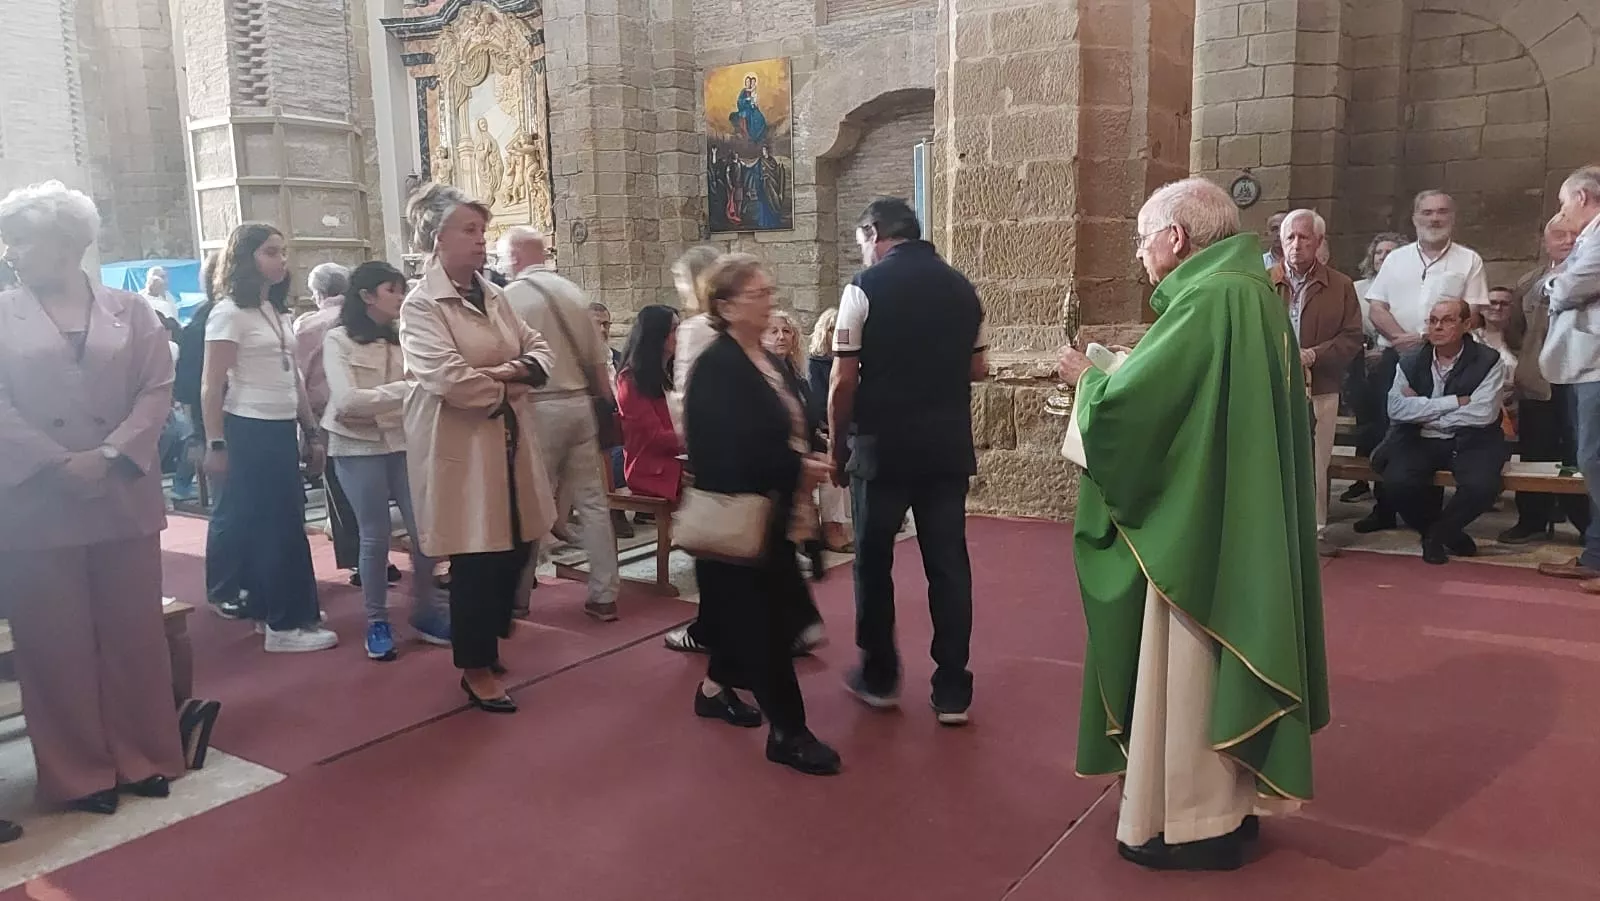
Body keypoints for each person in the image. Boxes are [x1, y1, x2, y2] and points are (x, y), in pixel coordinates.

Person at [1056, 177, 1329, 871]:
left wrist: (1085, 380)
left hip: (1200, 531)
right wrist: (1115, 372)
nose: (1141, 255)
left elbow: (1133, 418)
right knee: (1211, 665)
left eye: (1143, 238)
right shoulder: (1248, 293)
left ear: (1175, 237)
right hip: (1233, 516)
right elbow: (1190, 400)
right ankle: (1227, 808)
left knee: (1188, 659)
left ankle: (1186, 818)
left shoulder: (1208, 299)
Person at [0, 181, 187, 821]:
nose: (11, 249)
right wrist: (56, 464)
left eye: (23, 236)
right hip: (35, 497)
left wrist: (108, 456)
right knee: (53, 643)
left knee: (133, 635)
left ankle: (141, 756)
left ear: (69, 242)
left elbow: (156, 389)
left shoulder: (131, 310)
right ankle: (77, 771)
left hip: (120, 489)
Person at [400, 183, 557, 713]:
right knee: (475, 556)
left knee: (512, 548)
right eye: (469, 230)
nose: (480, 241)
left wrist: (510, 371)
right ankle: (475, 666)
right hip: (462, 445)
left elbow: (540, 352)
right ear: (436, 236)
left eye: (482, 231)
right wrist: (513, 381)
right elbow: (450, 381)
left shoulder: (493, 294)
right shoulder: (421, 306)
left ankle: (487, 642)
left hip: (508, 441)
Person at [830, 197, 985, 726]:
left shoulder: (864, 287)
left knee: (873, 562)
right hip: (945, 444)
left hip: (881, 445)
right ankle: (952, 690)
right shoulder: (963, 288)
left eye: (861, 241)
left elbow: (841, 379)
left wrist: (836, 448)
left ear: (874, 232)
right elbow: (979, 368)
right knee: (949, 564)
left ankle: (880, 676)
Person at [684, 253, 840, 776]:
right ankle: (788, 734)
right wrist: (796, 466)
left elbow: (789, 419)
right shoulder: (717, 367)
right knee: (769, 628)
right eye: (758, 293)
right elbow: (724, 450)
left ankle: (713, 690)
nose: (770, 299)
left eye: (769, 289)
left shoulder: (765, 359)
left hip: (773, 511)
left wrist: (806, 455)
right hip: (740, 514)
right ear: (725, 307)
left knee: (753, 619)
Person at [201, 223, 336, 651]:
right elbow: (211, 384)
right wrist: (216, 443)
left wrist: (310, 429)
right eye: (270, 252)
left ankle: (276, 609)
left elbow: (292, 375)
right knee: (274, 526)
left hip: (280, 425)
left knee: (284, 522)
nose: (281, 260)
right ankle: (284, 625)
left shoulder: (274, 311)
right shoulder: (227, 313)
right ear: (246, 259)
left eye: (282, 251)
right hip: (249, 426)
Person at [323, 261, 452, 660]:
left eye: (401, 289)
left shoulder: (404, 337)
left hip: (404, 442)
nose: (400, 297)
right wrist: (409, 390)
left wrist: (393, 394)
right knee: (375, 536)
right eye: (391, 290)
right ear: (366, 296)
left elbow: (429, 385)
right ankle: (377, 620)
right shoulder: (338, 339)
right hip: (357, 446)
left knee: (427, 530)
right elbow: (346, 402)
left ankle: (425, 608)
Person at [499, 226, 620, 622]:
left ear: (515, 256)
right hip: (579, 403)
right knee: (593, 502)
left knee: (530, 500)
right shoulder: (574, 293)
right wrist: (606, 406)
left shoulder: (509, 297)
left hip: (538, 406)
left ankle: (517, 595)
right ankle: (604, 594)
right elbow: (599, 364)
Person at [1356, 191, 1488, 534]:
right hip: (1396, 356)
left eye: (1442, 212)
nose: (1434, 218)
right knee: (1386, 431)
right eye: (1427, 212)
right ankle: (1384, 508)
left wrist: (1429, 339)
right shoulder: (1396, 259)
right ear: (1414, 218)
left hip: (1446, 359)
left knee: (1435, 431)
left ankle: (1428, 514)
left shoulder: (1468, 260)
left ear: (1453, 217)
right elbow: (1377, 307)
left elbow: (1472, 311)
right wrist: (1404, 340)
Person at [1374, 299, 1508, 564]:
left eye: (1447, 320)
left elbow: (1482, 413)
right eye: (1432, 320)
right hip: (1419, 439)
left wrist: (1424, 413)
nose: (1437, 327)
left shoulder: (1488, 360)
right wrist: (1452, 403)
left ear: (1466, 324)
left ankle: (1437, 535)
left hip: (1473, 439)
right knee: (1397, 482)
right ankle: (1447, 534)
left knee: (1482, 486)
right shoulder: (1411, 360)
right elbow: (1397, 409)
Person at [1269, 210, 1363, 556]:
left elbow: (1352, 337)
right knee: (1270, 457)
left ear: (1319, 242)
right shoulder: (1265, 282)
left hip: (1320, 385)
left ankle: (1315, 531)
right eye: (1290, 237)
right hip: (1272, 386)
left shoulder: (1340, 286)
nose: (1296, 245)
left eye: (1304, 237)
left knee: (1315, 461)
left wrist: (1315, 355)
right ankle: (1273, 529)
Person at [1501, 216, 1587, 544]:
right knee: (1537, 454)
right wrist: (1531, 359)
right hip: (1538, 384)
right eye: (1559, 235)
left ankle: (1587, 525)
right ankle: (1532, 519)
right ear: (1545, 241)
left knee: (1579, 456)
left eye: (1575, 235)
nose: (1567, 241)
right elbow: (1514, 331)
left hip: (1579, 383)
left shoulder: (1591, 277)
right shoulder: (1530, 281)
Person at [661, 244, 728, 655]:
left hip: (715, 445)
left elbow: (686, 397)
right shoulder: (737, 319)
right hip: (751, 443)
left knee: (713, 545)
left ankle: (708, 629)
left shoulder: (696, 328)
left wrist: (686, 448)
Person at [1536, 166, 1600, 589]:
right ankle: (1595, 554)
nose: (1563, 215)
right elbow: (1555, 281)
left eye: (1563, 204)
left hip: (1597, 365)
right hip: (1586, 365)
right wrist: (1556, 284)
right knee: (1590, 460)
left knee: (1596, 459)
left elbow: (1570, 285)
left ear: (1581, 197)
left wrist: (1555, 286)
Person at [1340, 232, 1408, 504]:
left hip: (1394, 361)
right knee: (1365, 425)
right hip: (1361, 365)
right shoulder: (1357, 288)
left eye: (1390, 252)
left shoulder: (1407, 288)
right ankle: (1360, 479)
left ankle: (1389, 488)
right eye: (1379, 252)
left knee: (1389, 424)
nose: (1383, 257)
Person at [617, 304, 685, 504]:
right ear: (656, 334)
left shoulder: (673, 374)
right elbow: (654, 438)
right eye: (674, 329)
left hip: (679, 459)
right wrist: (696, 442)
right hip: (651, 468)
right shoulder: (631, 380)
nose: (680, 335)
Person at [807, 308, 851, 553]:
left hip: (838, 427)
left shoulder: (850, 361)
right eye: (833, 330)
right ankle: (832, 527)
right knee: (834, 457)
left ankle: (843, 522)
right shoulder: (817, 364)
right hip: (822, 428)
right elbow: (819, 402)